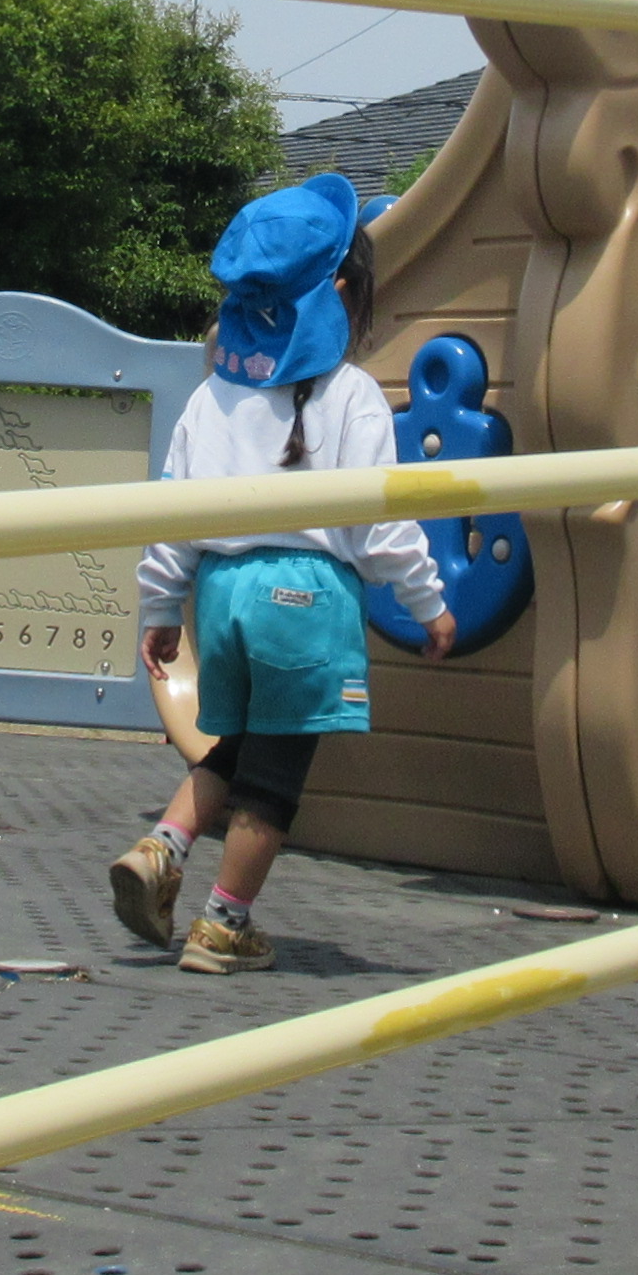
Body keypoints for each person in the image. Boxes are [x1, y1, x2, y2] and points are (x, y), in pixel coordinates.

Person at [109, 173, 458, 975]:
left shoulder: (213, 395)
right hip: (303, 600)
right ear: (342, 293)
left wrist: (160, 608)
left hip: (221, 595)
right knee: (274, 779)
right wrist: (428, 604)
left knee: (234, 747)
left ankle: (163, 847)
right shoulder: (354, 395)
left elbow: (174, 512)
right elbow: (380, 522)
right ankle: (224, 924)